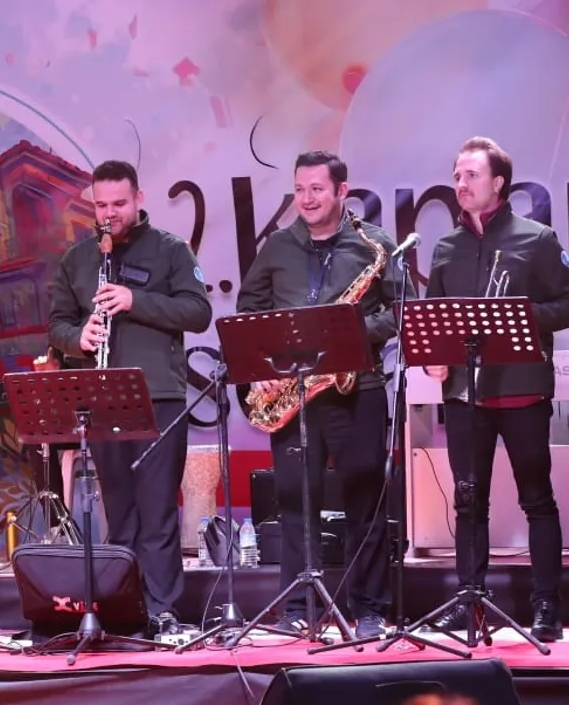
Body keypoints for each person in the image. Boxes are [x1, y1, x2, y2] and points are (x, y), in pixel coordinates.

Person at [236, 150, 403, 639]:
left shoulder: (375, 244)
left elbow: (400, 311)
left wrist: (352, 334)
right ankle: (298, 608)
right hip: (294, 393)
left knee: (365, 501)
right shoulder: (277, 246)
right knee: (294, 502)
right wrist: (260, 370)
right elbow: (249, 312)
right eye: (299, 189)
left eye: (316, 189)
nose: (306, 199)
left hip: (357, 387)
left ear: (341, 191)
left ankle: (369, 609)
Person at [47, 159, 212, 636]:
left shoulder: (170, 250)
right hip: (101, 399)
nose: (109, 214)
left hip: (158, 397)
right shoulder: (78, 259)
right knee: (119, 512)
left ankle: (162, 610)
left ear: (139, 199)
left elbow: (198, 311)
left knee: (157, 511)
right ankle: (125, 606)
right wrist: (78, 338)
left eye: (119, 203)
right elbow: (57, 324)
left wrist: (135, 301)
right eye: (101, 205)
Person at [424, 136, 568, 642]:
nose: (461, 184)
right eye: (457, 176)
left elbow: (566, 303)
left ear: (498, 182)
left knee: (537, 499)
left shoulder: (537, 238)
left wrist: (520, 318)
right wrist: (436, 356)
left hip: (521, 390)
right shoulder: (446, 246)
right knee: (468, 501)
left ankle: (546, 606)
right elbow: (433, 316)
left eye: (472, 175)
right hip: (465, 395)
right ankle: (471, 603)